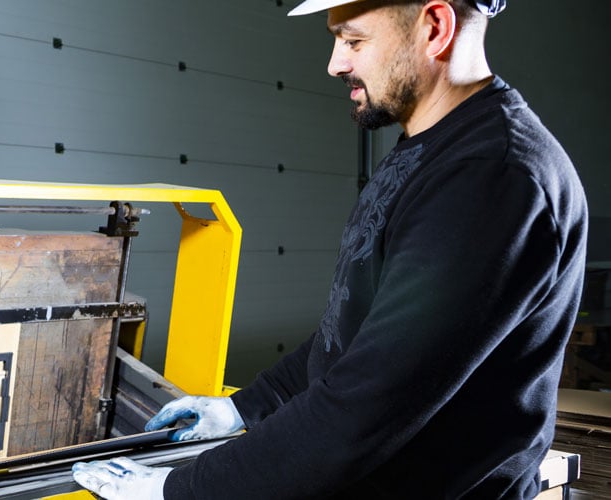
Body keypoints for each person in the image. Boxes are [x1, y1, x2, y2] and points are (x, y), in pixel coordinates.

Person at [72, 0, 587, 497]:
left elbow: (369, 401)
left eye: (353, 40)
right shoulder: (427, 147)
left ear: (435, 26)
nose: (335, 63)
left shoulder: (493, 177)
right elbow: (354, 333)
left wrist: (178, 490)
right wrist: (244, 408)